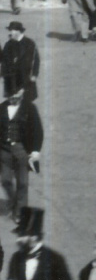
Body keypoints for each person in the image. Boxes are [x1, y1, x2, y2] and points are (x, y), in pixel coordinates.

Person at [0, 88, 42, 222]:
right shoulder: (1, 108)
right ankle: (13, 203)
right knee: (5, 180)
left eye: (16, 93)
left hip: (22, 151)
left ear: (22, 93)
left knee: (23, 183)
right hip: (4, 151)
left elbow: (38, 130)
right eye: (11, 94)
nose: (14, 96)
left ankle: (20, 212)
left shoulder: (30, 109)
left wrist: (35, 151)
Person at [2, 21, 40, 99]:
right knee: (13, 104)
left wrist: (34, 75)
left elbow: (36, 60)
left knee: (26, 104)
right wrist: (3, 75)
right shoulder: (8, 44)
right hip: (11, 80)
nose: (10, 33)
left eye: (11, 30)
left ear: (18, 31)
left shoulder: (29, 43)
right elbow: (4, 61)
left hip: (25, 78)